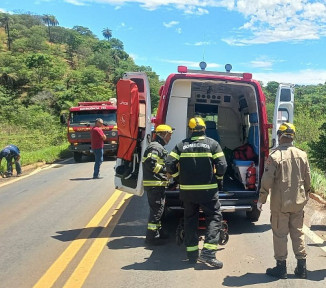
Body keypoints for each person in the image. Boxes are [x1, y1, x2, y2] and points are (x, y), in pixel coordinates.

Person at [165, 117, 227, 268]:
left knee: (190, 219)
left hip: (187, 192)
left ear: (191, 130)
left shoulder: (181, 145)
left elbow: (169, 163)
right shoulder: (213, 144)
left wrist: (177, 178)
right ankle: (208, 253)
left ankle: (192, 254)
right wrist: (218, 179)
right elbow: (222, 165)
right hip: (208, 191)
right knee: (213, 216)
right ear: (204, 129)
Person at [257, 122, 311, 279]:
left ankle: (281, 268)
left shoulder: (274, 156)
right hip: (298, 202)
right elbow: (308, 179)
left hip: (280, 204)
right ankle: (302, 268)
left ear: (280, 137)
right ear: (292, 137)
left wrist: (262, 199)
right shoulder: (303, 155)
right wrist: (306, 194)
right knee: (298, 233)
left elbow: (267, 180)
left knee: (280, 235)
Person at [142, 124, 174, 245]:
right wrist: (165, 171)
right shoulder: (155, 147)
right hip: (155, 185)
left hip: (158, 184)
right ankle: (151, 238)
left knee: (159, 210)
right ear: (164, 134)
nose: (170, 138)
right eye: (169, 135)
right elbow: (150, 163)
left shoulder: (158, 146)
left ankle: (158, 232)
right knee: (156, 211)